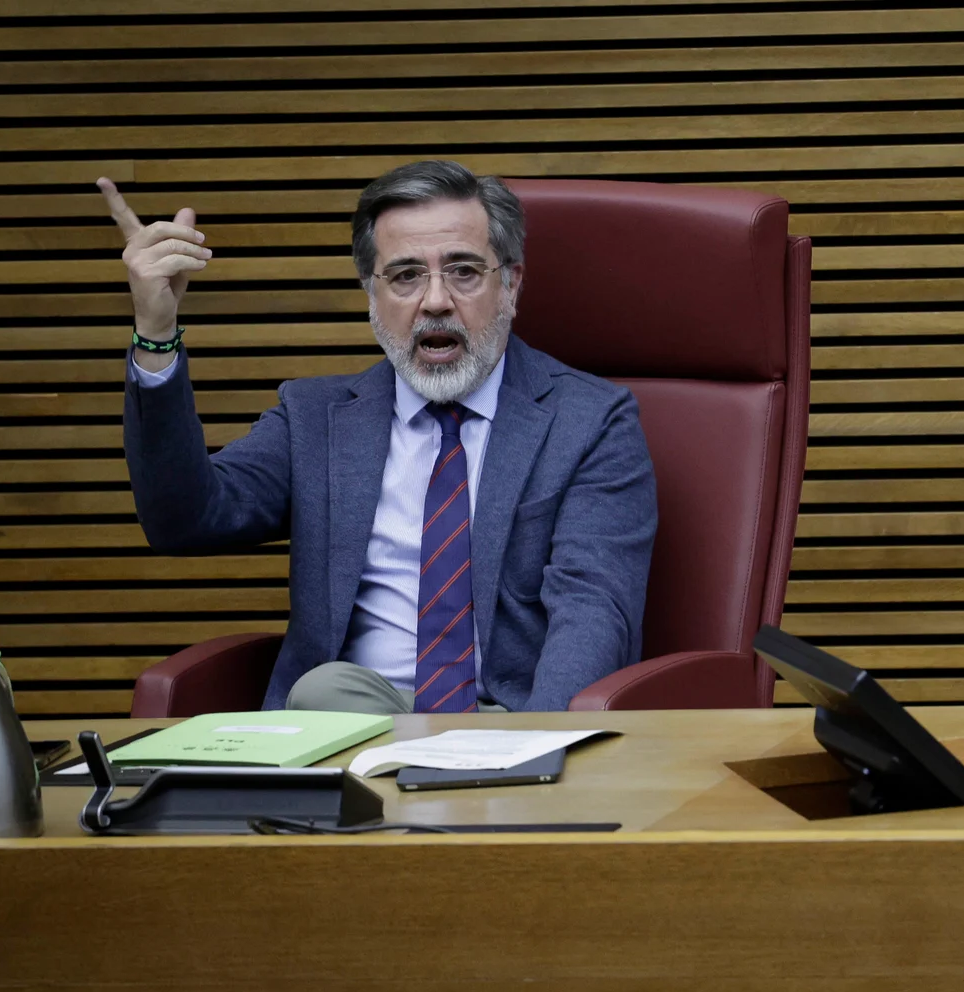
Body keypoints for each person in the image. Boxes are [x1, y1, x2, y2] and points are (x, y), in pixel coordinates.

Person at [102, 160, 657, 714]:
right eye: (406, 275)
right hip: (351, 723)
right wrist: (155, 335)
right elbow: (184, 520)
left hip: (508, 723)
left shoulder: (589, 420)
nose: (436, 300)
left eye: (463, 271)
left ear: (510, 283)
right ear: (372, 293)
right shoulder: (316, 418)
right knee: (327, 691)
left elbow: (592, 611)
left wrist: (537, 754)